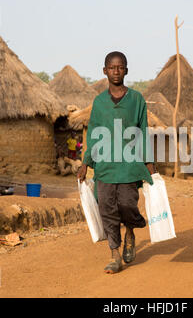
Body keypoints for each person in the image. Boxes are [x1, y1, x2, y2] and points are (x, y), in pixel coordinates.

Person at [77, 51, 155, 274]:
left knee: (128, 205)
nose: (116, 71)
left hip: (129, 165)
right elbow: (93, 133)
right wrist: (85, 163)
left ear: (126, 70)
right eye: (112, 67)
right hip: (105, 166)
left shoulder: (137, 99)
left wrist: (149, 162)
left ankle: (130, 231)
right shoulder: (99, 102)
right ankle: (114, 255)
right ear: (104, 71)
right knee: (107, 209)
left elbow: (142, 131)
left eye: (120, 67)